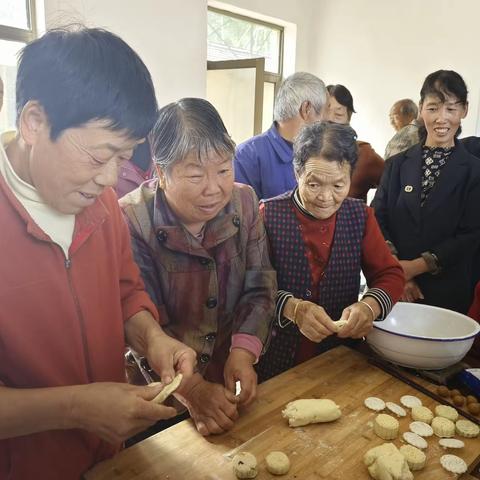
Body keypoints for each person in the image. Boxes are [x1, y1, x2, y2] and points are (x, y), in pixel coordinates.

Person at [0, 27, 196, 480]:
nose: (111, 179)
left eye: (124, 157)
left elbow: (124, 292)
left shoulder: (101, 204)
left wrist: (153, 340)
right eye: (98, 156)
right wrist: (75, 408)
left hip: (111, 458)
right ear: (34, 123)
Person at [121, 98, 276, 436]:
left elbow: (260, 286)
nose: (214, 188)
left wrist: (243, 352)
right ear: (161, 173)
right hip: (158, 389)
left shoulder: (245, 201)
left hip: (227, 376)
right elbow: (141, 317)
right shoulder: (131, 219)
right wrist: (188, 388)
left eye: (223, 169)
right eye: (195, 174)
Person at [256, 122, 404, 381]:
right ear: (297, 173)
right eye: (313, 185)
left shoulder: (360, 216)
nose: (326, 197)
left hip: (340, 355)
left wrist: (369, 307)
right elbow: (252, 283)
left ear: (351, 177)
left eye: (338, 186)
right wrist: (292, 308)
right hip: (276, 354)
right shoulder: (268, 215)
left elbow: (390, 274)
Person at [373, 70, 480, 315]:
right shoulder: (397, 165)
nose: (441, 119)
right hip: (393, 287)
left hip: (447, 293)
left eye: (451, 109)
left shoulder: (475, 172)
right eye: (433, 108)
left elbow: (471, 235)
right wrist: (400, 273)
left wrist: (415, 267)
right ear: (421, 109)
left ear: (464, 110)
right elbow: (378, 218)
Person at [234, 72, 327, 200]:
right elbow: (242, 213)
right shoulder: (247, 156)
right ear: (307, 109)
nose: (327, 120)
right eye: (325, 111)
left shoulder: (322, 151)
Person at [325, 84, 384, 202]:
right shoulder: (306, 149)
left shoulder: (364, 154)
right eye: (326, 111)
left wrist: (372, 214)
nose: (330, 119)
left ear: (349, 117)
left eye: (338, 114)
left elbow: (392, 184)